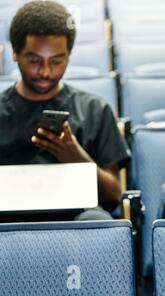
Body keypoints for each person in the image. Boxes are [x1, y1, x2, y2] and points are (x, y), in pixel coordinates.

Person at [0, 1, 130, 219]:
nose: (45, 71)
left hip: (74, 219)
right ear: (15, 53)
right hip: (7, 219)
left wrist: (76, 157)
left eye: (57, 61)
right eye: (34, 60)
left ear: (68, 55)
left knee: (96, 220)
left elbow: (113, 196)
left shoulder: (94, 110)